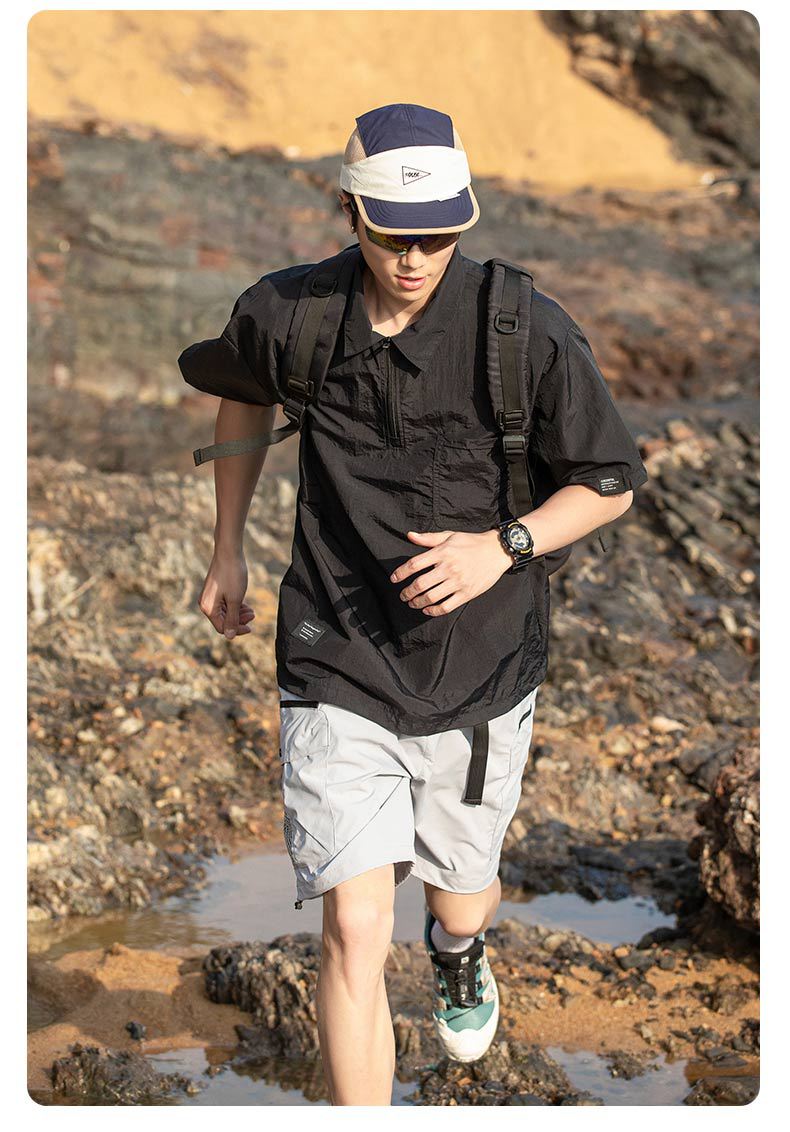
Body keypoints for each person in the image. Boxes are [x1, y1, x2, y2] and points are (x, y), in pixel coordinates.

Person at [178, 102, 649, 1106]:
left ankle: (458, 947)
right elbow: (243, 390)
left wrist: (502, 547)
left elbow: (608, 481)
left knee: (461, 898)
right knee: (354, 924)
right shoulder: (292, 313)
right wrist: (226, 548)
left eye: (438, 236)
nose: (415, 258)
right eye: (394, 235)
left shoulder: (521, 328)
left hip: (481, 664)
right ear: (350, 212)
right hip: (336, 653)